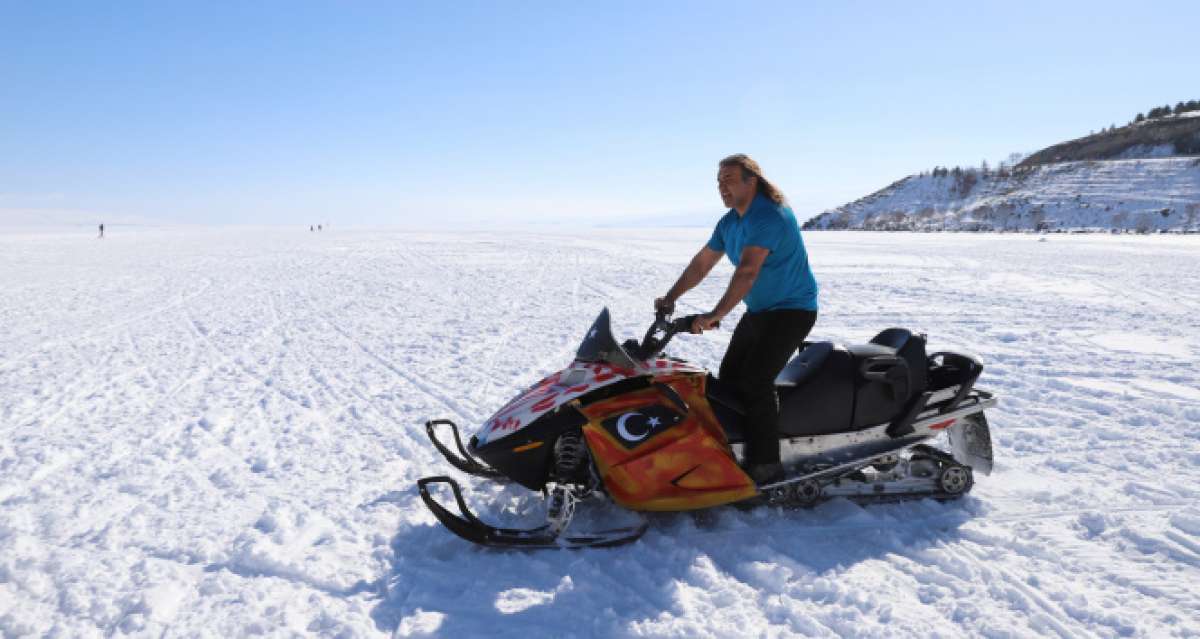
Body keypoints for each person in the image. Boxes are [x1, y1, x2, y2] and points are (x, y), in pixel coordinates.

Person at [655, 154, 819, 484]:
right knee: (729, 380)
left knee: (757, 381)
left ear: (751, 180)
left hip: (792, 310)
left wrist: (715, 315)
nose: (722, 187)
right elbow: (701, 264)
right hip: (759, 311)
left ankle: (766, 466)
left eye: (729, 179)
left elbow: (747, 272)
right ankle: (733, 449)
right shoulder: (729, 222)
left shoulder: (770, 216)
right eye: (719, 181)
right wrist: (671, 297)